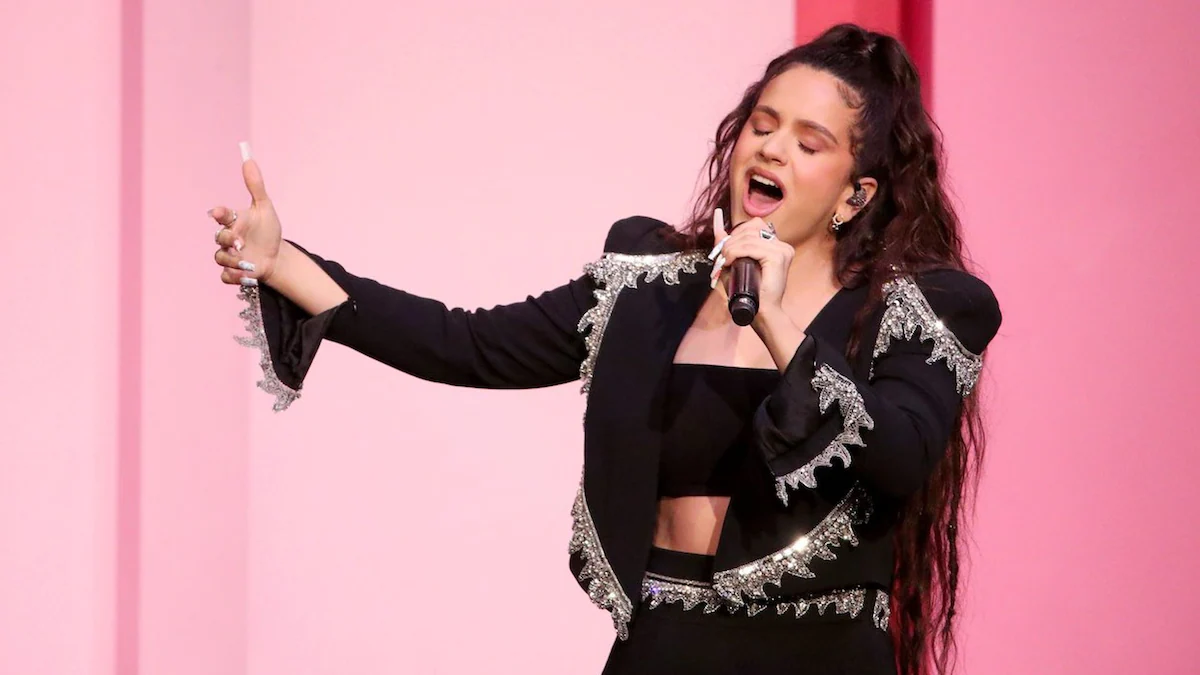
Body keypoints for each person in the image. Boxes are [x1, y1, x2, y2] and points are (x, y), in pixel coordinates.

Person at [208, 23, 1001, 675]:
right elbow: (466, 342)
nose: (771, 150)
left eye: (808, 142)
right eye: (763, 126)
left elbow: (900, 454)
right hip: (663, 644)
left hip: (819, 652)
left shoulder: (919, 309)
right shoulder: (647, 286)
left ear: (855, 193)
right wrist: (281, 263)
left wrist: (773, 320)